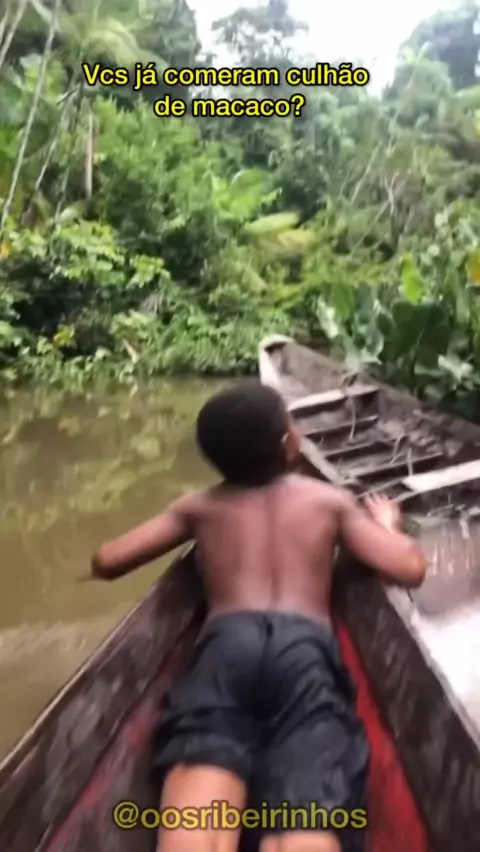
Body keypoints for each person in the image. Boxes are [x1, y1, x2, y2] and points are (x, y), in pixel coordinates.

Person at [88, 381, 426, 852]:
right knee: (307, 778)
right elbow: (409, 567)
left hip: (225, 647)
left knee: (204, 763)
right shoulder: (327, 501)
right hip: (304, 649)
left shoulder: (199, 507)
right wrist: (387, 525)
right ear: (288, 443)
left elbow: (108, 561)